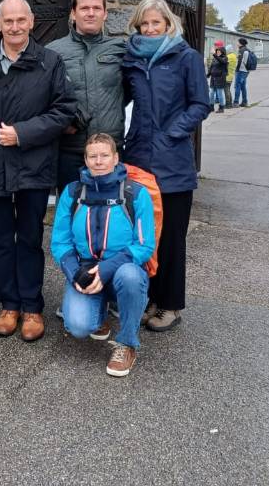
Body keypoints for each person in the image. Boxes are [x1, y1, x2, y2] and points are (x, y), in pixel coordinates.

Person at [0, 0, 75, 342]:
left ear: (31, 21)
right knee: (1, 242)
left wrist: (23, 133)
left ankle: (32, 307)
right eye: (8, 21)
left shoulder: (49, 63)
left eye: (21, 20)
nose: (15, 27)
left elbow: (64, 111)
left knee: (30, 239)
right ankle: (9, 304)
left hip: (33, 166)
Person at [122, 0, 211, 332]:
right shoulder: (131, 60)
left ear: (168, 23)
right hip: (139, 158)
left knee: (172, 236)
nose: (149, 29)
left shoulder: (185, 58)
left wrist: (171, 133)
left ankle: (171, 304)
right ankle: (152, 300)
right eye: (144, 24)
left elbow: (200, 104)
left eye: (155, 23)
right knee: (147, 235)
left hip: (173, 161)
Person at [51, 134, 155, 377]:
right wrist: (74, 272)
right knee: (77, 326)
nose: (99, 161)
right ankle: (99, 315)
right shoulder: (72, 192)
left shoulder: (135, 193)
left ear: (116, 158)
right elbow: (60, 241)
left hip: (122, 266)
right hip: (86, 267)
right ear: (85, 160)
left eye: (104, 155)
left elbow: (144, 245)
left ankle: (127, 343)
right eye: (93, 156)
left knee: (130, 277)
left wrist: (108, 268)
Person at [46, 0, 126, 192]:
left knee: (112, 217)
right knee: (72, 213)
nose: (91, 13)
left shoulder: (120, 49)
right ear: (73, 13)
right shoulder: (53, 52)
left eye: (97, 8)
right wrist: (65, 121)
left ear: (105, 13)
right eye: (84, 8)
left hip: (110, 149)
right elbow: (43, 97)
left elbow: (127, 92)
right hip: (71, 150)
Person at [207, 42, 228, 113]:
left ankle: (221, 107)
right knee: (211, 93)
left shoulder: (224, 58)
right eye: (217, 51)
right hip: (213, 78)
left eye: (219, 51)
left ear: (222, 52)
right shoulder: (215, 58)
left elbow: (222, 61)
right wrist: (208, 74)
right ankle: (211, 106)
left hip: (220, 78)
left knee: (219, 93)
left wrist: (214, 54)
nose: (218, 53)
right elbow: (211, 67)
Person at [234, 37, 253, 107]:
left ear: (240, 43)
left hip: (241, 71)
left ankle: (236, 102)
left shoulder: (241, 50)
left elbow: (239, 61)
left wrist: (237, 69)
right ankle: (244, 102)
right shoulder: (248, 50)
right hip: (246, 71)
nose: (237, 43)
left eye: (237, 42)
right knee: (243, 87)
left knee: (237, 86)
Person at [224, 43, 237, 108]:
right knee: (228, 90)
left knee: (226, 90)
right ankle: (230, 103)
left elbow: (223, 63)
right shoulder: (234, 56)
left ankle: (228, 104)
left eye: (226, 50)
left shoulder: (229, 56)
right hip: (231, 75)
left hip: (227, 76)